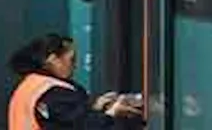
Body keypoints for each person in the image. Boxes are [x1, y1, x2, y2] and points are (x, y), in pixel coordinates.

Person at [7, 33, 141, 129]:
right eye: (72, 60)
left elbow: (61, 119)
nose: (74, 66)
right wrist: (113, 112)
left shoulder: (30, 87)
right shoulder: (52, 92)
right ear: (53, 60)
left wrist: (94, 107)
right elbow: (83, 125)